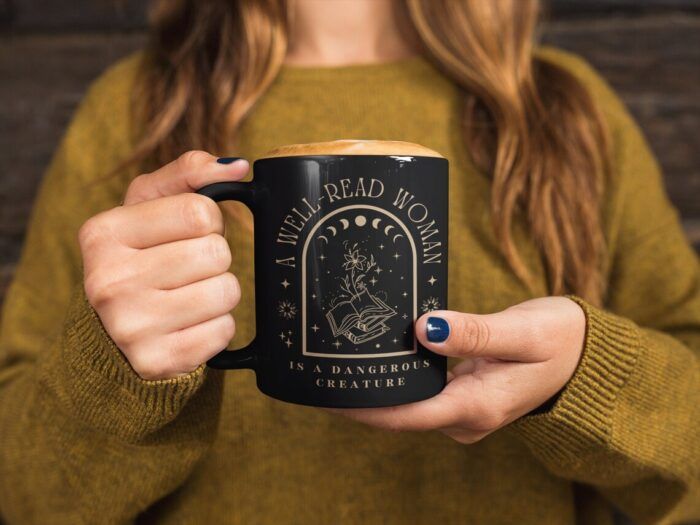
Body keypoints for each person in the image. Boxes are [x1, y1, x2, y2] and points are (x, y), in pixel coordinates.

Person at [0, 0, 698, 523]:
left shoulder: (562, 113)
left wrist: (590, 377)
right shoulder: (134, 110)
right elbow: (21, 492)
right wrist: (114, 372)